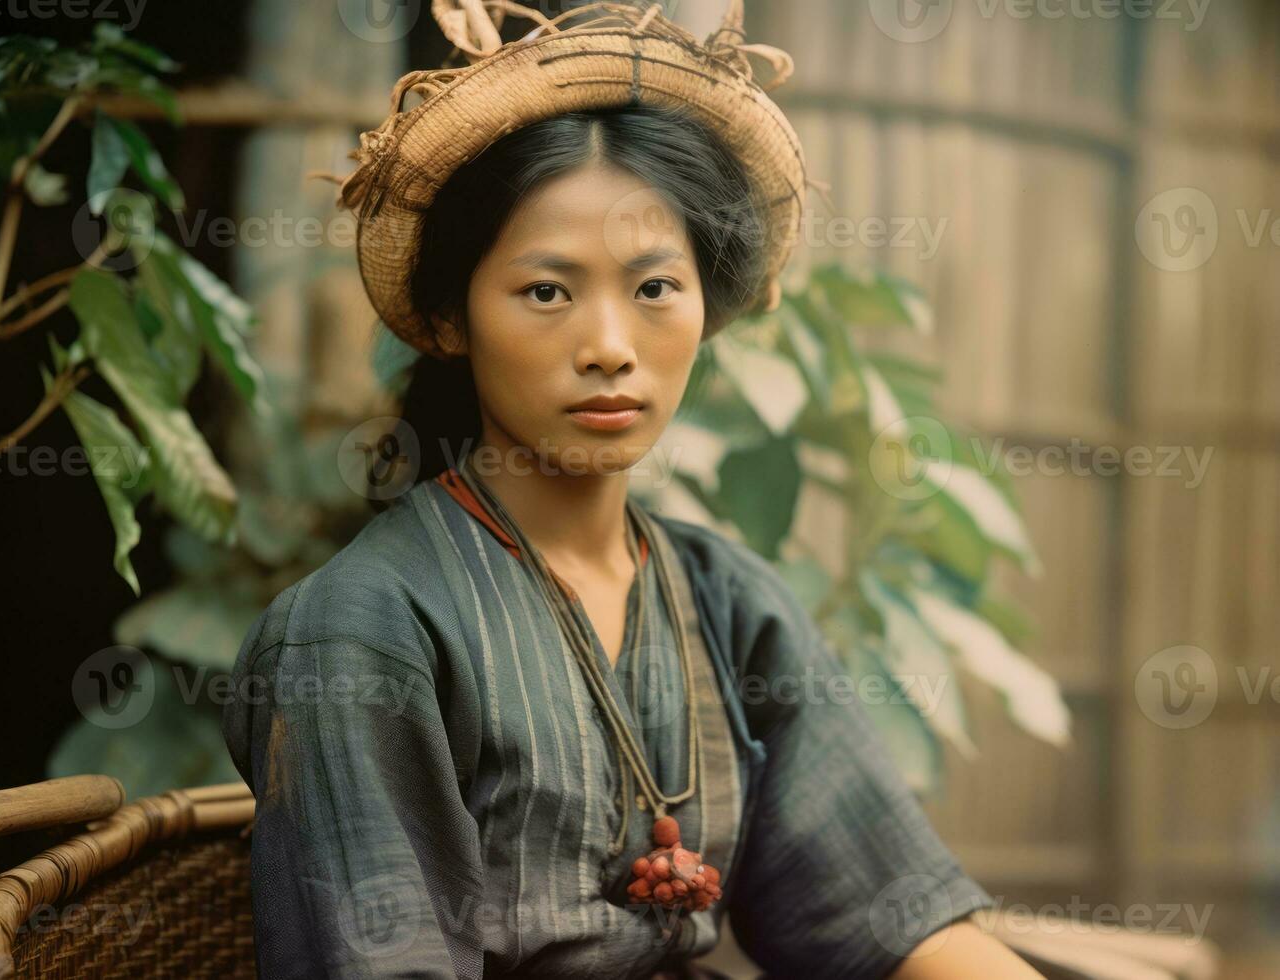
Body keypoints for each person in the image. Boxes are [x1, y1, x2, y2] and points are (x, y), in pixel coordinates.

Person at [222, 3, 1043, 978]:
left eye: (653, 287)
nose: (610, 345)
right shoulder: (361, 627)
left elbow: (898, 924)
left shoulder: (724, 599)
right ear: (448, 318)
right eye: (546, 291)